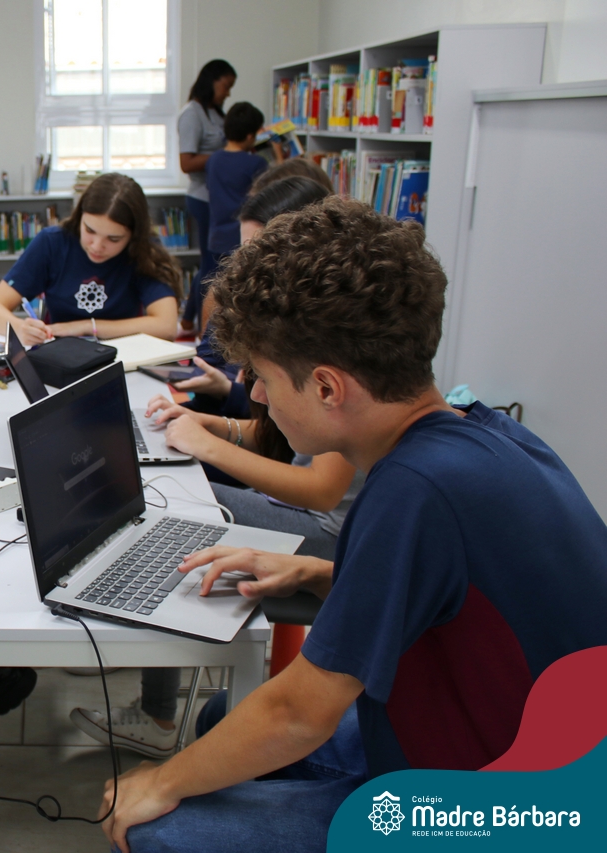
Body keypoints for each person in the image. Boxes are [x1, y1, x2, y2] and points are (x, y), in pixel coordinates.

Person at [97, 197, 607, 853]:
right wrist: (321, 572)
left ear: (328, 388)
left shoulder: (413, 490)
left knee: (162, 827)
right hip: (557, 763)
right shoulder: (487, 433)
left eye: (265, 378)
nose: (256, 395)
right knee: (226, 718)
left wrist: (158, 781)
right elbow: (457, 599)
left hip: (515, 810)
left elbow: (298, 714)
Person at [69, 179, 353, 758]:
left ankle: (156, 712)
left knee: (170, 501)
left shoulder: (337, 344)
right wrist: (213, 425)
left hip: (329, 537)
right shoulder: (300, 329)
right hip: (309, 513)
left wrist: (210, 446)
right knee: (168, 483)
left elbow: (321, 490)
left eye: (261, 250)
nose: (249, 266)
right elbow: (279, 438)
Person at [178, 176, 331, 423]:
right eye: (243, 251)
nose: (244, 266)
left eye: (259, 253)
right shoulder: (239, 292)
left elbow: (277, 428)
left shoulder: (315, 325)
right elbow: (206, 362)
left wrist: (230, 392)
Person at [0, 172, 180, 347]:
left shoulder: (144, 250)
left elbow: (166, 326)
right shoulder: (52, 243)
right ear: (79, 217)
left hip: (123, 356)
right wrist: (20, 328)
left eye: (113, 239)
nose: (97, 246)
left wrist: (86, 326)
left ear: (133, 236)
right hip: (61, 355)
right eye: (89, 230)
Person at [177, 58, 237, 331]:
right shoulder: (192, 113)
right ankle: (203, 328)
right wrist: (226, 156)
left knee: (209, 263)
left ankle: (188, 318)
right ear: (211, 82)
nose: (228, 93)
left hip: (220, 198)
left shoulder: (216, 113)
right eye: (226, 86)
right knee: (211, 265)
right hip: (203, 198)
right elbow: (187, 162)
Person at [205, 102, 281, 263]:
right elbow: (277, 191)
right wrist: (279, 155)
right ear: (249, 136)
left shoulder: (213, 160)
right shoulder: (256, 163)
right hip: (243, 238)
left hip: (217, 238)